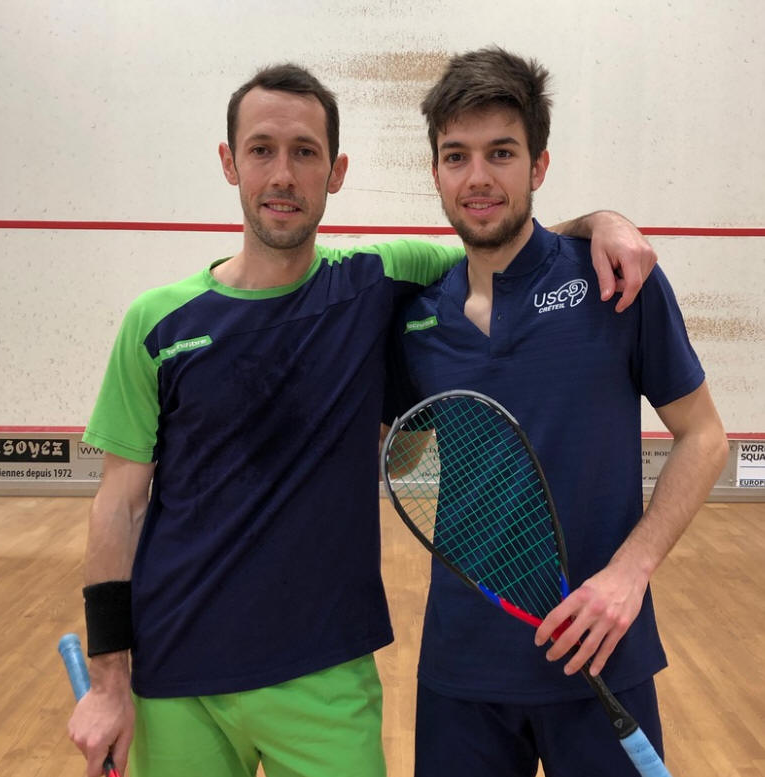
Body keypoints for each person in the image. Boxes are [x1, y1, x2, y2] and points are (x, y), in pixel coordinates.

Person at [67, 62, 658, 777]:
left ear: (336, 171)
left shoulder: (376, 280)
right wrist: (109, 681)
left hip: (327, 675)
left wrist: (602, 223)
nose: (282, 174)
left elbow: (502, 236)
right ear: (229, 162)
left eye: (305, 152)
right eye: (261, 150)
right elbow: (119, 505)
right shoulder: (156, 323)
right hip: (176, 676)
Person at [386, 46, 729, 777]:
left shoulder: (615, 281)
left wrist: (630, 572)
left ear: (538, 166)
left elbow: (703, 437)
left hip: (603, 648)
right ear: (435, 172)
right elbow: (396, 450)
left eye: (501, 153)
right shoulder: (415, 318)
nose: (478, 177)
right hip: (462, 669)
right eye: (456, 156)